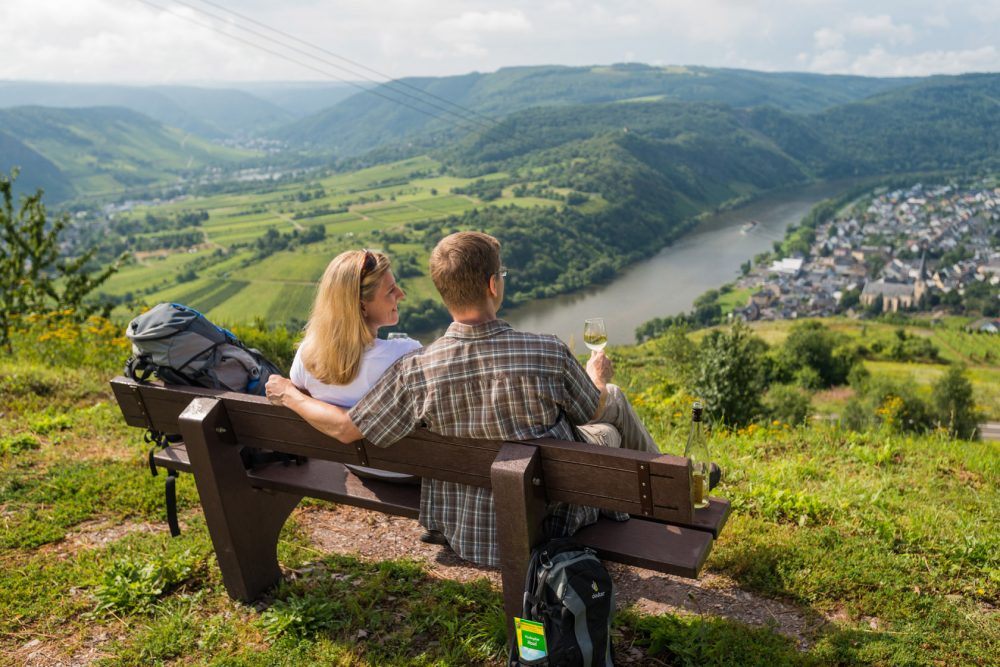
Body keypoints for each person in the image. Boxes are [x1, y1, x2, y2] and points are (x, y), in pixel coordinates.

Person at [266, 231, 659, 567]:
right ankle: (670, 488)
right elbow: (591, 410)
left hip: (467, 527)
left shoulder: (415, 370)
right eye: (500, 275)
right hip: (550, 516)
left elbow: (351, 427)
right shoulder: (548, 353)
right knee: (609, 413)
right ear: (492, 285)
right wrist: (597, 377)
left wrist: (287, 393)